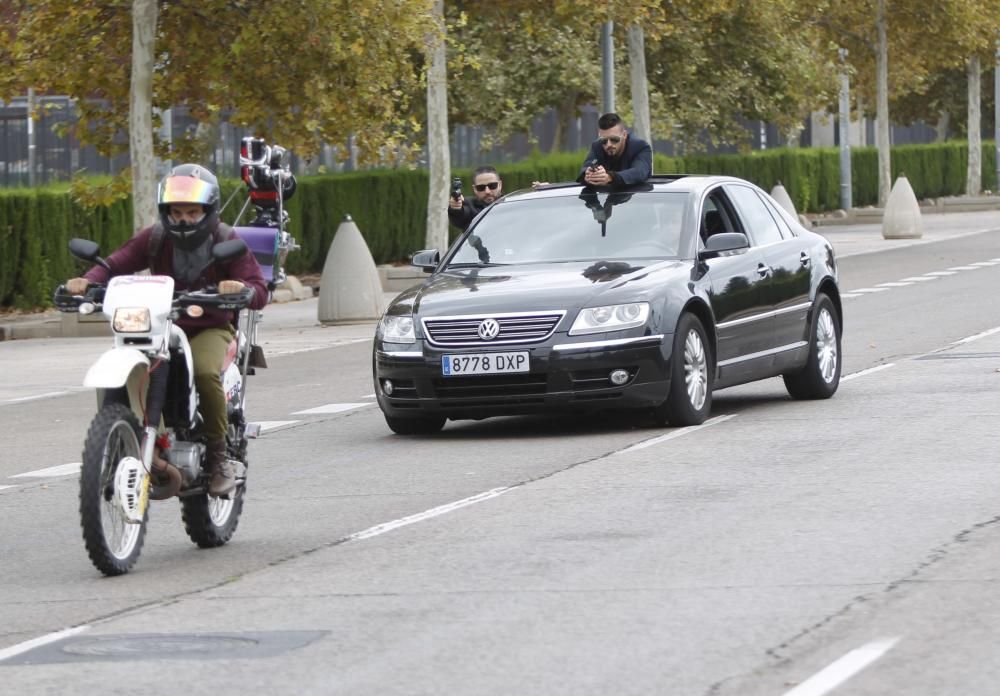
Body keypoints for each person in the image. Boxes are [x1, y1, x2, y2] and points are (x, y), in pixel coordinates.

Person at [66, 164, 268, 497]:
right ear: (166, 211)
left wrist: (239, 287)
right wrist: (88, 281)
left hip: (210, 328)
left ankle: (218, 458)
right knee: (134, 363)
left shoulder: (225, 239)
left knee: (204, 372)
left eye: (192, 211)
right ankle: (136, 440)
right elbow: (115, 263)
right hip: (160, 326)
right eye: (177, 211)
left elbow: (259, 289)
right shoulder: (156, 237)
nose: (185, 219)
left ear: (208, 210)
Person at [577, 112, 652, 187]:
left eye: (614, 139)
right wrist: (588, 175)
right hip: (604, 196)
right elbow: (586, 168)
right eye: (604, 140)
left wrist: (610, 177)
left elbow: (640, 172)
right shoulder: (597, 146)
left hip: (637, 196)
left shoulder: (640, 147)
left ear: (624, 135)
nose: (608, 144)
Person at [448, 165, 503, 231]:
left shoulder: (513, 204)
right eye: (481, 188)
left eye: (492, 186)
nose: (487, 191)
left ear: (500, 185)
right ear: (474, 189)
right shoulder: (470, 206)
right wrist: (455, 208)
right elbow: (460, 216)